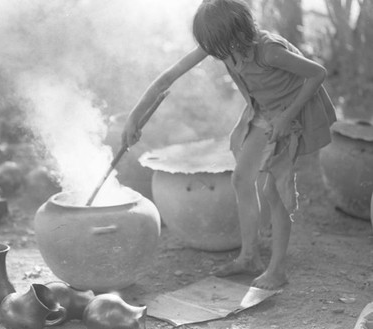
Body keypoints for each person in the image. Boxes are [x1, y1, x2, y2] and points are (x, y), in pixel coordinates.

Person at [121, 0, 336, 290]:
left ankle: (277, 270)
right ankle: (250, 257)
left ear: (235, 34)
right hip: (263, 112)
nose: (213, 52)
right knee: (241, 179)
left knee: (274, 191)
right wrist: (135, 117)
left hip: (290, 113)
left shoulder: (269, 51)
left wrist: (287, 117)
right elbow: (168, 77)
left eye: (216, 45)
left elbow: (317, 73)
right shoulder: (222, 45)